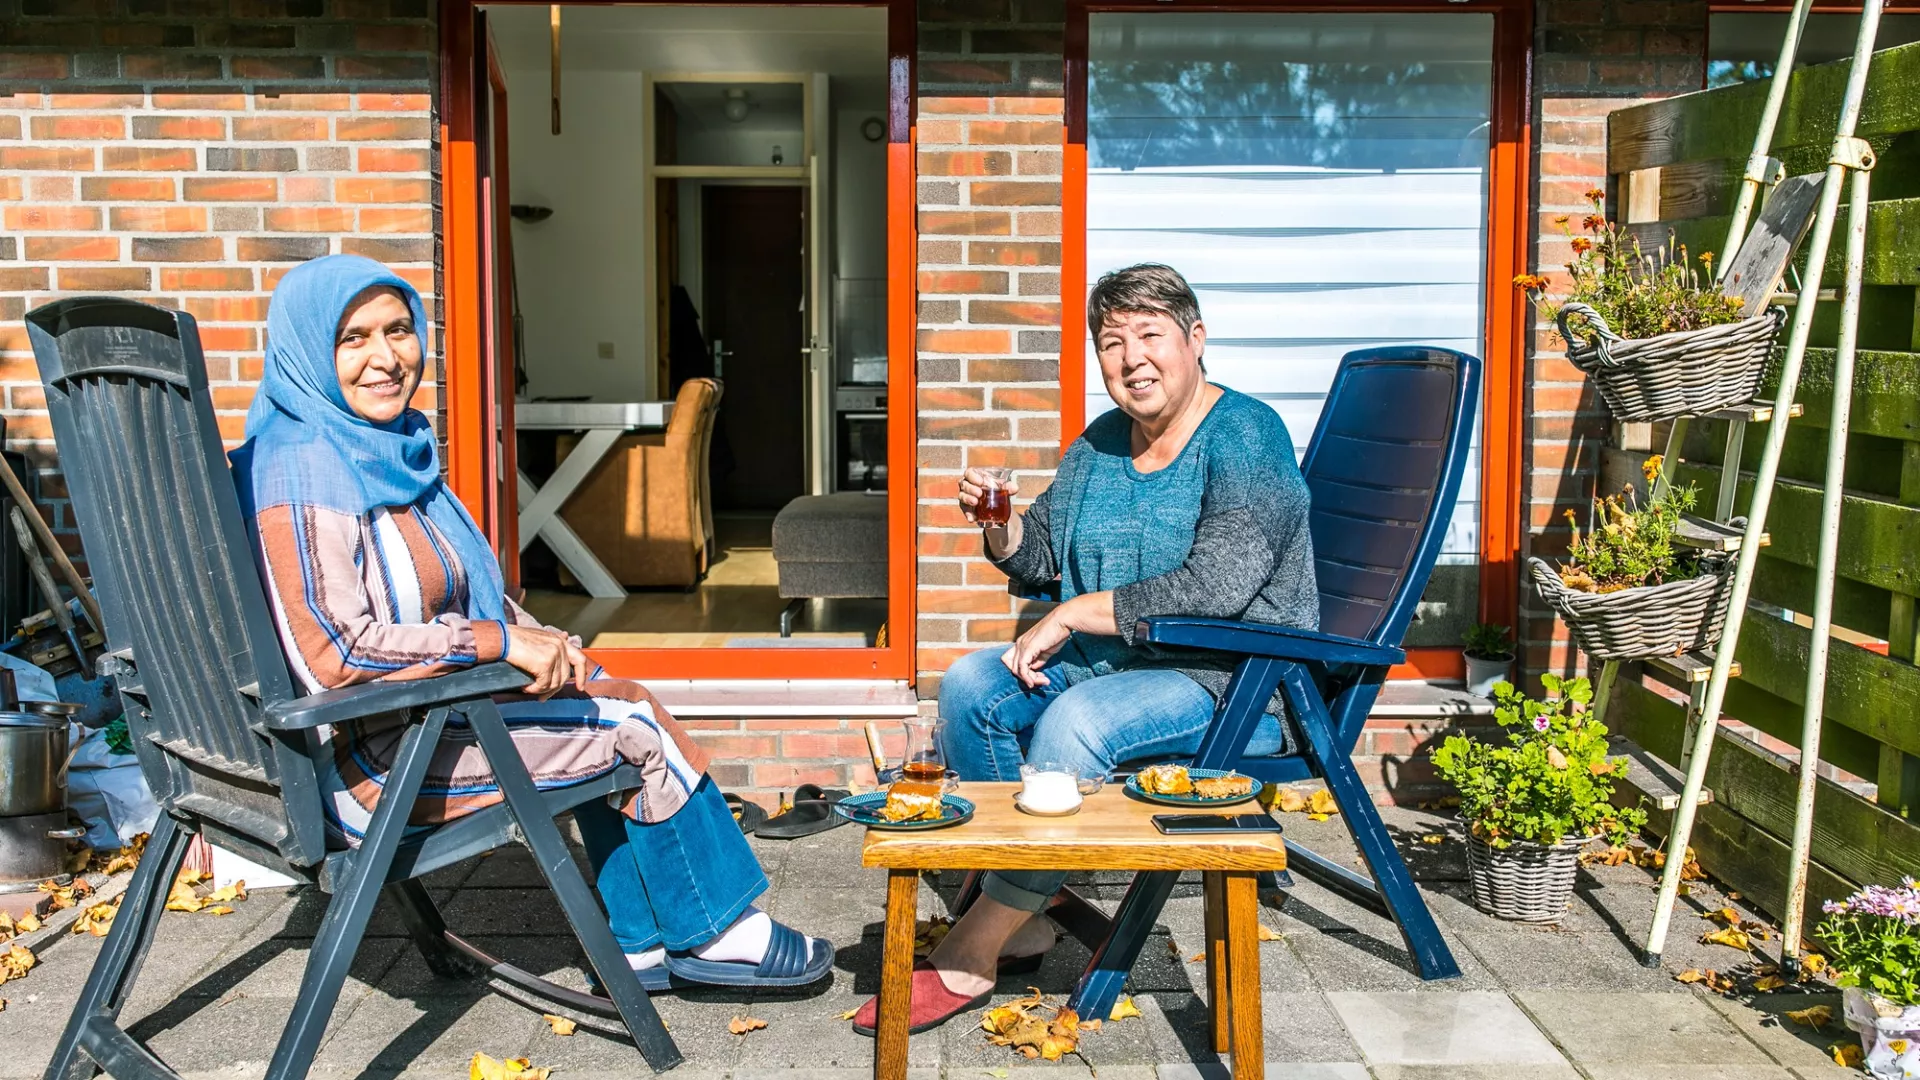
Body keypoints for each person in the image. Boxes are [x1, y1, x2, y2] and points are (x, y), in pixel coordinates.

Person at [230, 254, 831, 992]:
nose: (386, 358)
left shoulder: (380, 449)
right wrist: (497, 642)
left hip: (416, 721)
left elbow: (452, 591)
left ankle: (641, 943)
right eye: (352, 339)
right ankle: (719, 932)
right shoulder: (301, 470)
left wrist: (539, 639)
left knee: (607, 690)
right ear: (305, 352)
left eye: (398, 330)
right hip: (376, 766)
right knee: (634, 731)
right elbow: (334, 652)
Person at [852, 263, 1318, 1034]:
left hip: (1230, 680)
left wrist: (1073, 614)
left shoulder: (1246, 434)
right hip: (1121, 663)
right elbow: (1040, 555)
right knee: (970, 686)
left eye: (1149, 335)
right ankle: (1026, 905)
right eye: (1111, 342)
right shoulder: (1101, 443)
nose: (1131, 358)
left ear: (1196, 339)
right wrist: (999, 525)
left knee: (1077, 723)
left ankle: (979, 943)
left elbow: (1222, 583)